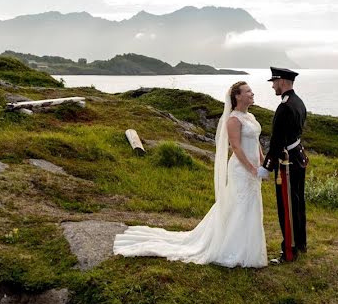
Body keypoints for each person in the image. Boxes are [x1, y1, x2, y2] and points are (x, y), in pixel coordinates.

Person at [112, 81, 268, 268]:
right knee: (239, 205)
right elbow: (235, 146)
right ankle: (233, 249)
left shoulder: (250, 116)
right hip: (241, 169)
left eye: (251, 91)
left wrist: (262, 161)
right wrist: (251, 169)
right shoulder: (234, 119)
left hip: (254, 167)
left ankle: (249, 248)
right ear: (237, 97)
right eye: (248, 91)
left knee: (250, 205)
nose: (252, 93)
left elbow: (256, 141)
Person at [257, 67, 308, 262]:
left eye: (274, 82)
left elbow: (277, 141)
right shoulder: (298, 102)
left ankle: (289, 252)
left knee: (286, 207)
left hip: (286, 163)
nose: (273, 86)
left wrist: (266, 166)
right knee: (297, 204)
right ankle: (300, 245)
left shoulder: (285, 107)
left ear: (283, 82)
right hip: (297, 156)